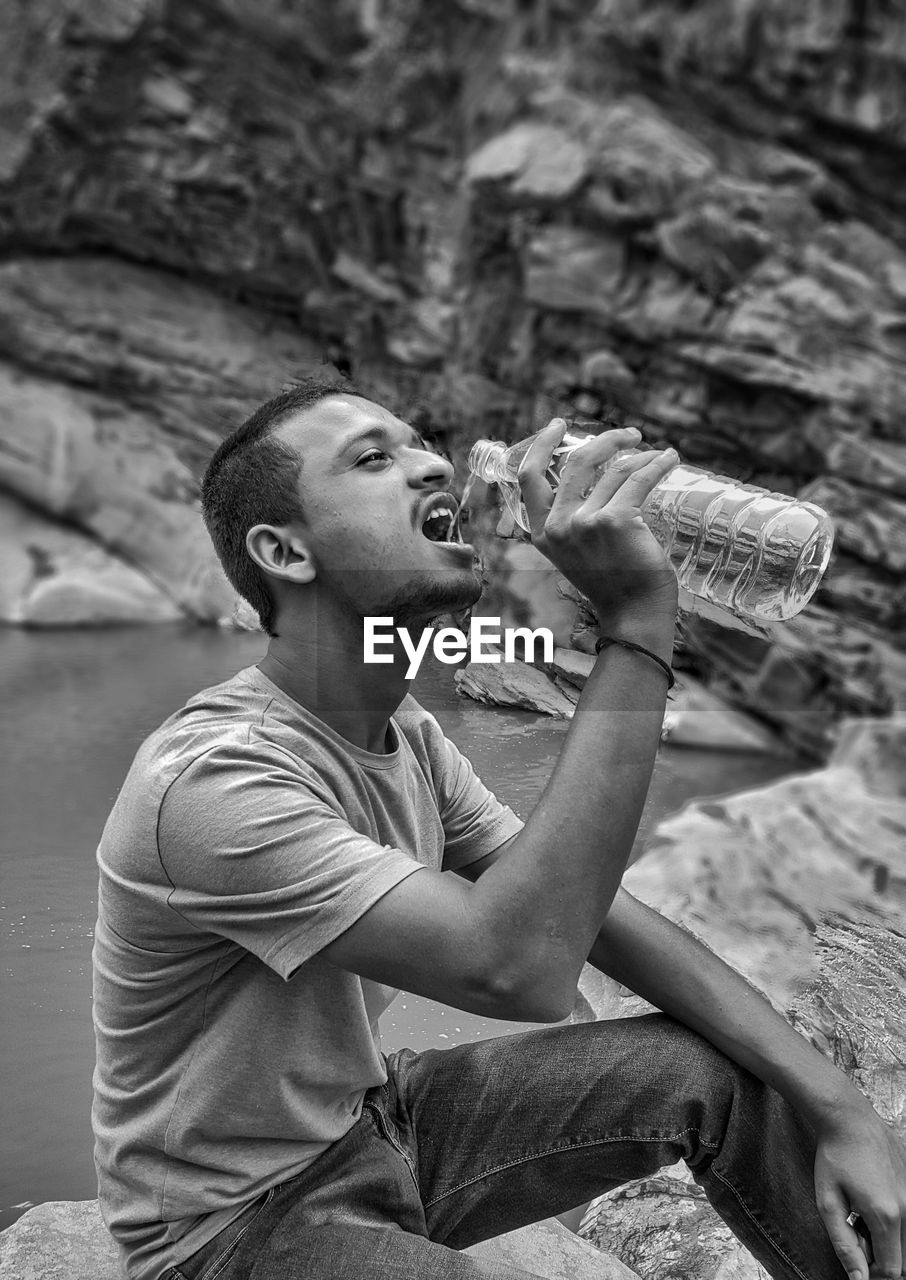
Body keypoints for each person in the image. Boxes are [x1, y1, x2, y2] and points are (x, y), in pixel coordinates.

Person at [92, 376, 906, 1280]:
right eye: (373, 458)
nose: (433, 464)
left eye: (417, 445)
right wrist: (636, 625)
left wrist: (840, 1105)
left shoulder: (406, 735)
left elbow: (596, 920)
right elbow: (518, 967)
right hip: (231, 1228)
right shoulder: (216, 777)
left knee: (711, 1070)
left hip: (374, 1123)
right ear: (284, 551)